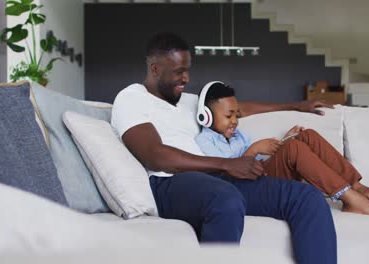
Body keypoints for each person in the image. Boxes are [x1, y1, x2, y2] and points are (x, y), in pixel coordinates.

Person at [111, 32, 337, 264]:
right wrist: (227, 164)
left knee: (307, 198)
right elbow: (154, 155)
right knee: (226, 200)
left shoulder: (188, 100)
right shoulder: (131, 98)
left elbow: (238, 108)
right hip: (168, 183)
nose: (186, 78)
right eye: (178, 72)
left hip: (212, 178)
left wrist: (296, 105)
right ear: (155, 69)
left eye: (188, 70)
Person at [194, 81, 369, 217]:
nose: (235, 121)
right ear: (207, 116)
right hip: (247, 188)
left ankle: (356, 187)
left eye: (236, 116)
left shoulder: (238, 135)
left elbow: (259, 162)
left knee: (306, 136)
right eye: (229, 116)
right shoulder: (205, 141)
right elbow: (230, 176)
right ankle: (350, 199)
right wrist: (255, 149)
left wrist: (284, 140)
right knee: (294, 149)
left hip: (259, 174)